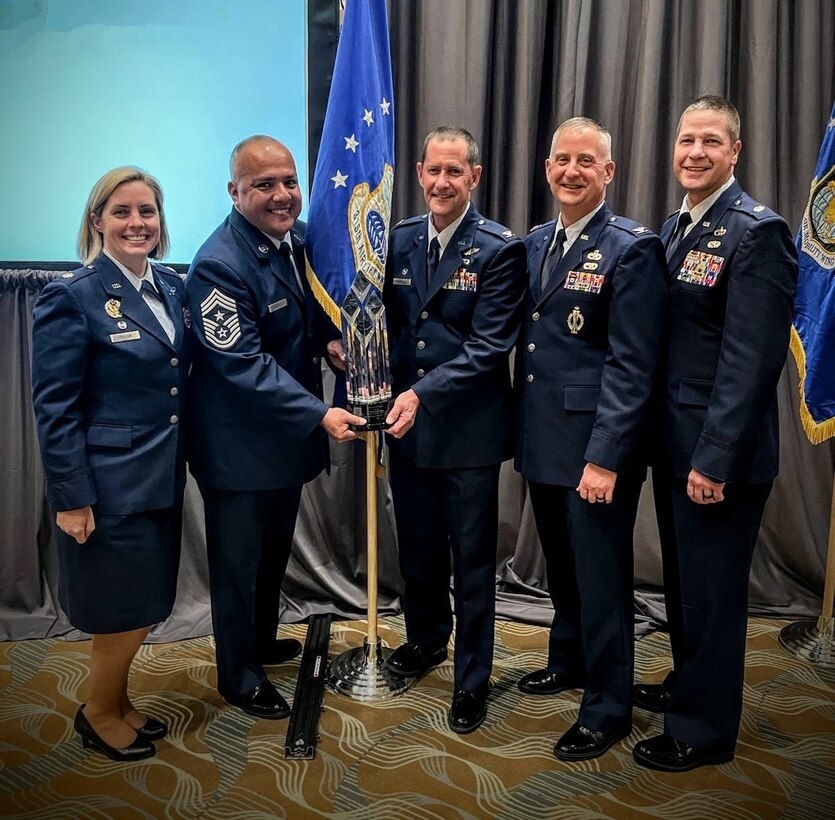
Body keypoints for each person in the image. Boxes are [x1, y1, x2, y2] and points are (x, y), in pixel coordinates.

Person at [631, 96, 798, 772]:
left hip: (714, 455)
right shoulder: (676, 227)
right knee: (683, 588)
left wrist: (714, 458)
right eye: (685, 140)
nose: (694, 152)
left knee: (712, 594)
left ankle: (702, 730)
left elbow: (749, 361)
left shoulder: (756, 232)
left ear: (734, 153)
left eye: (709, 142)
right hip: (674, 446)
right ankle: (688, 683)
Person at [186, 136, 365, 719]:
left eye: (289, 181)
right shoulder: (219, 263)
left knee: (270, 555)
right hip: (239, 450)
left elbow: (305, 317)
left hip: (281, 443)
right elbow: (241, 363)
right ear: (234, 192)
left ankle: (261, 641)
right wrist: (319, 412)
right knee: (238, 567)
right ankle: (238, 675)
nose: (282, 195)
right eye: (264, 185)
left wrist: (331, 342)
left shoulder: (300, 240)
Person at [514, 118, 667, 760]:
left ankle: (608, 706)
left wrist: (605, 458)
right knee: (563, 573)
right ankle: (569, 660)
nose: (570, 171)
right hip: (544, 439)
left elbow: (634, 365)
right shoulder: (536, 242)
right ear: (547, 168)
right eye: (560, 160)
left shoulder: (632, 248)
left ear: (609, 172)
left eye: (586, 161)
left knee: (602, 582)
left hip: (594, 450)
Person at [31, 167, 189, 761]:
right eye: (121, 212)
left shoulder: (171, 288)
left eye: (146, 211)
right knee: (117, 608)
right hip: (108, 485)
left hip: (160, 477)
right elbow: (55, 407)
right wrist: (70, 495)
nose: (136, 223)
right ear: (97, 220)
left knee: (142, 602)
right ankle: (98, 711)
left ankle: (117, 700)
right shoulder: (71, 296)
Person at [382, 126, 527, 733]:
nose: (442, 183)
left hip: (466, 433)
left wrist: (419, 392)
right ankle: (426, 642)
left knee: (470, 563)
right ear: (419, 173)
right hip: (407, 431)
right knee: (416, 552)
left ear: (475, 177)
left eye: (454, 173)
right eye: (433, 171)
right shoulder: (398, 240)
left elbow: (489, 348)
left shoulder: (499, 249)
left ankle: (473, 678)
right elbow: (389, 327)